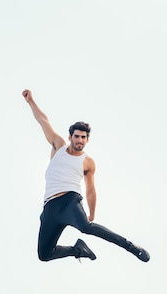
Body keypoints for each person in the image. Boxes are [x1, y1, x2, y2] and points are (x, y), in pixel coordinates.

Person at [22, 89, 150, 263]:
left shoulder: (87, 162)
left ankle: (130, 246)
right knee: (44, 254)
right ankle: (79, 250)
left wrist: (91, 214)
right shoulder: (58, 146)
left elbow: (91, 190)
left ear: (87, 140)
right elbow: (43, 121)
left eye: (83, 137)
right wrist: (31, 102)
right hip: (50, 207)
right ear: (70, 137)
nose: (80, 140)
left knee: (86, 227)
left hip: (69, 201)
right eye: (77, 137)